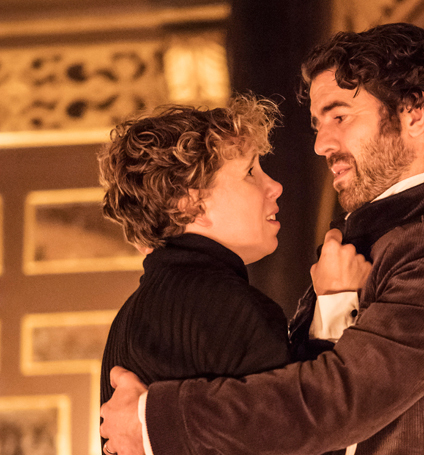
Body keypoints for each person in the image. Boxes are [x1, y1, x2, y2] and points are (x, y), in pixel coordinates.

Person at [100, 22, 424, 455]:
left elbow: (337, 399)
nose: (321, 144)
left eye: (339, 116)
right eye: (318, 124)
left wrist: (153, 420)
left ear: (414, 113)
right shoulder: (368, 243)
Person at [97, 94, 370, 455]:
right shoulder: (226, 306)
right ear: (190, 204)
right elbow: (313, 439)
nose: (275, 186)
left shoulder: (128, 320)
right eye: (250, 172)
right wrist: (337, 302)